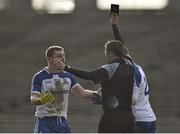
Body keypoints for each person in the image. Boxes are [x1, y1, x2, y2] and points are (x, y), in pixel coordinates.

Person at [59, 40, 135, 132]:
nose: (105, 54)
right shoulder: (130, 66)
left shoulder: (109, 69)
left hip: (112, 119)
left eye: (105, 52)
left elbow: (89, 75)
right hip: (129, 118)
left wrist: (66, 68)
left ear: (110, 53)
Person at [30, 45, 97, 133]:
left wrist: (98, 93)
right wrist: (40, 101)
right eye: (59, 56)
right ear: (50, 59)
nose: (62, 58)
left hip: (62, 121)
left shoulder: (68, 76)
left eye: (63, 55)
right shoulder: (39, 77)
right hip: (45, 122)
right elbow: (33, 98)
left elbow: (83, 93)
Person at [110, 13, 157, 133]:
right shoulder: (136, 67)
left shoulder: (130, 72)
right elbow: (122, 47)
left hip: (139, 121)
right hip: (149, 118)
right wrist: (114, 26)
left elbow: (133, 100)